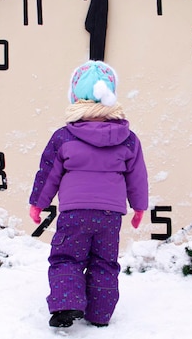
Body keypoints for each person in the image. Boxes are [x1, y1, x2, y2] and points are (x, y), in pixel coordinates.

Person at [28, 60, 149, 328]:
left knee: (67, 257)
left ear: (75, 97)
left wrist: (38, 203)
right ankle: (100, 314)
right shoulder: (128, 138)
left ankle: (67, 304)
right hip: (110, 216)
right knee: (105, 262)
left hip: (74, 213)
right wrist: (139, 207)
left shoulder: (64, 137)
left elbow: (48, 173)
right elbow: (137, 176)